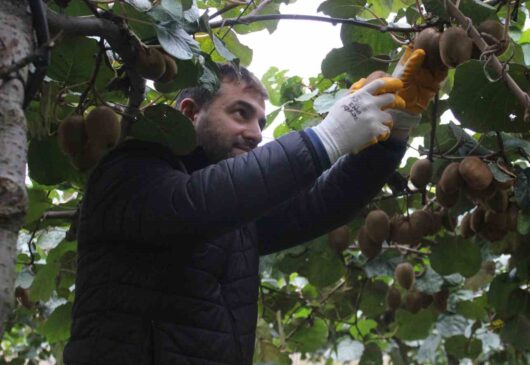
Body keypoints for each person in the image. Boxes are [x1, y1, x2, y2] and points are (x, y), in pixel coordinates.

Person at [63, 46, 439, 364]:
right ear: (190, 112)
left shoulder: (238, 217)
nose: (257, 134)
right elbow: (193, 204)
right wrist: (328, 136)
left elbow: (320, 203)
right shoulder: (129, 171)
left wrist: (395, 129)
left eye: (261, 121)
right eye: (240, 113)